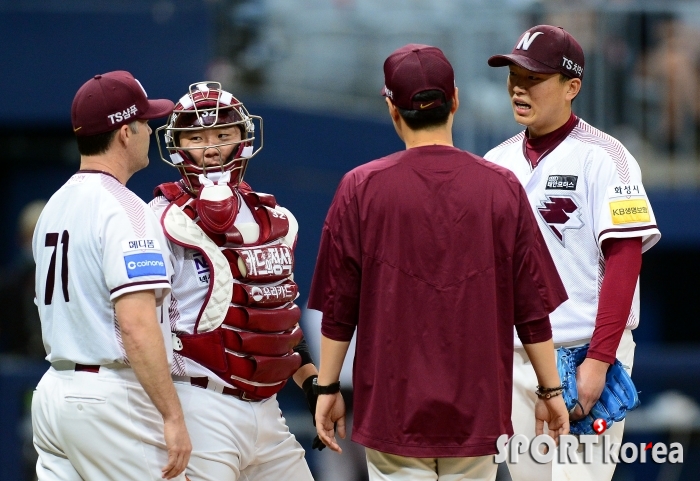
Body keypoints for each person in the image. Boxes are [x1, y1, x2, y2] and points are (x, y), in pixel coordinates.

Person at [308, 43, 571, 481]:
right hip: (476, 410)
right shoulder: (501, 187)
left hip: (394, 413)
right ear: (456, 100)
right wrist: (550, 389)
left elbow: (339, 310)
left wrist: (328, 387)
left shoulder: (359, 187)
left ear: (392, 108)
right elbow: (531, 308)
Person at [484, 25, 662, 481]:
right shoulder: (493, 163)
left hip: (586, 352)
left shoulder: (607, 157)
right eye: (513, 75)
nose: (519, 87)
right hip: (517, 356)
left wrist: (600, 361)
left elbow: (625, 262)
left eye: (534, 77)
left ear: (572, 87)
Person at [150, 81, 317, 481]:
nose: (210, 149)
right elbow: (138, 324)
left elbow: (279, 314)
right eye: (196, 137)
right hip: (199, 401)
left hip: (268, 408)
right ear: (177, 145)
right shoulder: (157, 218)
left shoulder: (274, 219)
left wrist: (312, 385)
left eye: (223, 135)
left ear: (244, 139)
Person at [31, 71, 191, 480]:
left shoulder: (54, 205)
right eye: (145, 122)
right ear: (124, 132)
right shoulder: (127, 209)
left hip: (54, 392)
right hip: (110, 398)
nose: (149, 129)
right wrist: (172, 415)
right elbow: (136, 325)